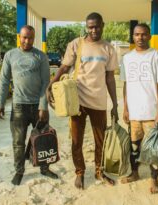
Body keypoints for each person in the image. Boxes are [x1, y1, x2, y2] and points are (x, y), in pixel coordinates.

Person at [46, 12, 118, 189]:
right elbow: (64, 67)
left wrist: (115, 104)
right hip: (76, 101)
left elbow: (110, 78)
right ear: (86, 26)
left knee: (101, 140)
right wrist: (50, 85)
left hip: (98, 101)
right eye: (90, 27)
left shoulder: (109, 49)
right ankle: (80, 172)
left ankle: (99, 171)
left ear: (103, 25)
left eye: (97, 26)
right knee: (76, 141)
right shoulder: (76, 44)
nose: (94, 30)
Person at [0, 25, 58, 186]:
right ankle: (19, 171)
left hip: (38, 106)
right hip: (18, 106)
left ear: (34, 37)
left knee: (44, 139)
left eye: (30, 38)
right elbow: (3, 81)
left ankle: (44, 168)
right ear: (19, 37)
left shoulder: (41, 56)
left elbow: (46, 82)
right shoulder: (10, 55)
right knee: (18, 142)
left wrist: (43, 106)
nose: (27, 41)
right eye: (24, 37)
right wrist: (0, 103)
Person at [119, 23, 158, 194]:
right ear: (133, 36)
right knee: (134, 147)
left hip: (151, 114)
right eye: (137, 34)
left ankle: (154, 179)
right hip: (134, 114)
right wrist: (125, 109)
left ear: (149, 36)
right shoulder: (126, 58)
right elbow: (125, 86)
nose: (140, 37)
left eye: (144, 34)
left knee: (154, 149)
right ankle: (134, 173)